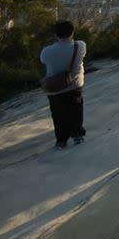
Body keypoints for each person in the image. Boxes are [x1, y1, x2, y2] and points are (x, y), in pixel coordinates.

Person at [40, 21, 86, 149]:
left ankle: (61, 140)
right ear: (72, 32)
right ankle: (77, 135)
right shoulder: (80, 46)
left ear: (56, 34)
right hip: (75, 84)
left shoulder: (47, 51)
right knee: (76, 110)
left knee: (58, 114)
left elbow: (43, 61)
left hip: (55, 88)